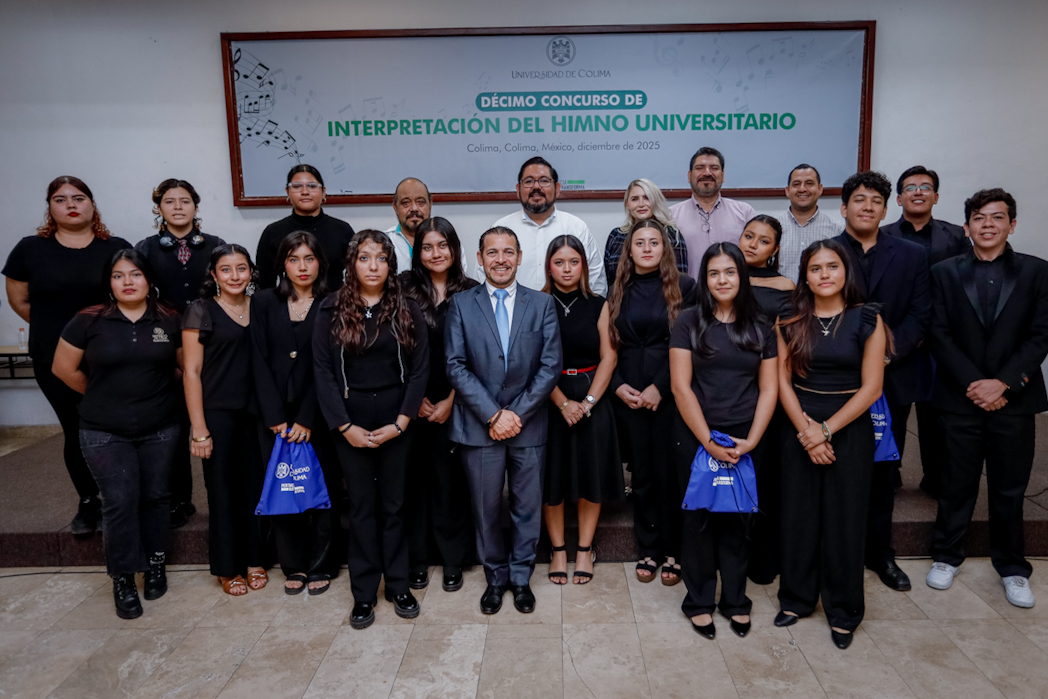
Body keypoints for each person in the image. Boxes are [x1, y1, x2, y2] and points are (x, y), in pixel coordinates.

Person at [925, 188, 1048, 609]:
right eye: (979, 218)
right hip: (959, 398)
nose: (988, 224)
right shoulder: (943, 272)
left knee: (1010, 488)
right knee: (955, 484)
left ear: (1012, 224)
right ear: (967, 227)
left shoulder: (1037, 272)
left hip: (1015, 400)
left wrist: (1004, 384)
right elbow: (938, 334)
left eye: (997, 217)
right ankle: (946, 556)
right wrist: (976, 383)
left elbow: (1041, 335)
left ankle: (1012, 568)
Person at [51, 249, 183, 619]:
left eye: (136, 274)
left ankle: (155, 564)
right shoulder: (88, 320)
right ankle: (123, 576)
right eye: (118, 275)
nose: (128, 282)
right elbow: (63, 368)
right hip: (104, 430)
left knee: (156, 496)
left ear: (149, 280)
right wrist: (101, 395)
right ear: (108, 282)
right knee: (120, 500)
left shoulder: (169, 319)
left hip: (161, 427)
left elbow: (182, 369)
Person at [774, 238, 888, 650]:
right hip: (798, 424)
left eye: (832, 266)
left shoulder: (868, 318)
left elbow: (873, 387)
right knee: (798, 516)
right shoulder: (789, 318)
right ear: (805, 276)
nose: (824, 274)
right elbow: (781, 381)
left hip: (849, 428)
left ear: (846, 272)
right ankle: (796, 599)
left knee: (845, 520)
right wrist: (807, 431)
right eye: (815, 268)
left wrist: (825, 431)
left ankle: (843, 610)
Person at [313, 230, 429, 629]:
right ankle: (363, 593)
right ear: (352, 264)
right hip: (350, 420)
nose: (373, 266)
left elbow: (421, 370)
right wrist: (344, 426)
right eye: (364, 258)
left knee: (394, 505)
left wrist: (402, 421)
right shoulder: (330, 309)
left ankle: (398, 585)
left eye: (381, 258)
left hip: (397, 418)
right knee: (362, 507)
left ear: (391, 265)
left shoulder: (407, 308)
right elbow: (322, 372)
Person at [3, 176, 131, 536]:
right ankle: (89, 501)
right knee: (76, 429)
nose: (71, 205)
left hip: (109, 355)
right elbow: (20, 302)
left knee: (116, 426)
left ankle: (123, 498)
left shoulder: (115, 247)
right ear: (50, 207)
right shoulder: (29, 249)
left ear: (92, 204)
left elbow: (130, 294)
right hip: (53, 357)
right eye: (60, 199)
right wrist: (66, 336)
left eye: (78, 198)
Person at [445, 226, 562, 615]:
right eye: (492, 252)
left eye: (508, 251)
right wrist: (494, 414)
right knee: (486, 508)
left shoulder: (541, 304)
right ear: (480, 258)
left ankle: (521, 578)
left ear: (519, 256)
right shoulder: (461, 304)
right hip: (479, 426)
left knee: (527, 507)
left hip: (529, 424)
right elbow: (455, 365)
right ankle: (495, 578)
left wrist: (516, 414)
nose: (500, 259)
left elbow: (550, 366)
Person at [670, 242, 778, 639]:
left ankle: (735, 600)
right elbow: (680, 387)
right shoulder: (687, 321)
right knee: (698, 520)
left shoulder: (762, 325)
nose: (722, 280)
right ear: (705, 279)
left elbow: (769, 389)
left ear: (742, 276)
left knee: (739, 519)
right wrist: (707, 441)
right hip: (696, 434)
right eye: (714, 273)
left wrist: (751, 440)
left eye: (730, 272)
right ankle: (698, 601)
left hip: (746, 436)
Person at [833, 171, 930, 593]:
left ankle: (880, 553)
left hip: (892, 377)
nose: (867, 206)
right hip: (836, 379)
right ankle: (837, 549)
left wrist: (886, 355)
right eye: (859, 199)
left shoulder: (912, 254)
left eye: (875, 200)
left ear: (886, 209)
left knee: (883, 469)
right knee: (836, 467)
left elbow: (922, 314)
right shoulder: (828, 252)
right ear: (844, 207)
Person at [250, 231, 339, 595]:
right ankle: (294, 564)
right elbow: (257, 359)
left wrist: (307, 418)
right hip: (273, 415)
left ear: (321, 263)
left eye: (309, 259)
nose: (302, 267)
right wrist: (275, 416)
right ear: (282, 264)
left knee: (322, 487)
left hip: (319, 412)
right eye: (293, 259)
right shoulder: (264, 301)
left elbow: (331, 367)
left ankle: (322, 564)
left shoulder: (335, 302)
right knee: (284, 484)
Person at [609, 218, 697, 585]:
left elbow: (691, 344)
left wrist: (660, 387)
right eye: (640, 243)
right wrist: (618, 386)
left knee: (670, 475)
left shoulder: (686, 287)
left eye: (654, 242)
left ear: (665, 249)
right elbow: (609, 347)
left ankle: (674, 550)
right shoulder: (618, 289)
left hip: (670, 395)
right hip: (629, 396)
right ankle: (649, 547)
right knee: (642, 475)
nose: (647, 248)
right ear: (629, 251)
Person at [136, 178, 226, 528]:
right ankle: (179, 499)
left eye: (185, 201)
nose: (177, 207)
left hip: (212, 338)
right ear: (159, 207)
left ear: (196, 206)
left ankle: (221, 495)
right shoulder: (145, 249)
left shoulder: (215, 245)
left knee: (212, 417)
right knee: (174, 424)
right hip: (166, 339)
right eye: (170, 201)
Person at [399, 217, 479, 593]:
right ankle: (417, 559)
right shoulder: (401, 288)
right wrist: (413, 400)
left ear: (454, 249)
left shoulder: (473, 291)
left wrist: (452, 399)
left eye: (442, 245)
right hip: (410, 401)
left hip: (457, 400)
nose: (436, 253)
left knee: (451, 483)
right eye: (427, 247)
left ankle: (452, 559)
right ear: (418, 252)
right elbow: (391, 349)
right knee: (413, 483)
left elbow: (480, 355)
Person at [881, 165, 970, 498]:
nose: (918, 192)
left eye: (925, 187)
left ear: (936, 196)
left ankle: (936, 476)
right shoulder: (884, 235)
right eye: (910, 187)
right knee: (893, 410)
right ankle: (889, 473)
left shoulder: (956, 237)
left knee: (937, 413)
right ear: (899, 198)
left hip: (942, 339)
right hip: (899, 337)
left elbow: (964, 287)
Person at [182, 244, 265, 596]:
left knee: (256, 489)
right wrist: (199, 430)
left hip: (257, 414)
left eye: (241, 268)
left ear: (251, 272)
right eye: (226, 269)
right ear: (214, 274)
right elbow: (191, 372)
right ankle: (227, 567)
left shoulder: (260, 306)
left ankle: (255, 559)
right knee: (222, 492)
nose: (235, 276)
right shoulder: (200, 310)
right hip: (218, 415)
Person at [541, 235, 622, 586]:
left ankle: (586, 549)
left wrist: (587, 402)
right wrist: (562, 402)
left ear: (584, 267)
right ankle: (558, 549)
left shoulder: (599, 304)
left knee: (592, 476)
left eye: (574, 262)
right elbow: (533, 360)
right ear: (549, 266)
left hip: (592, 397)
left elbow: (609, 357)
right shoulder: (536, 302)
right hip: (549, 398)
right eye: (559, 262)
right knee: (552, 478)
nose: (567, 269)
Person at [738, 215, 795, 584]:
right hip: (727, 387)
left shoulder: (785, 286)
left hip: (768, 387)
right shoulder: (723, 275)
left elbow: (789, 344)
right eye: (748, 236)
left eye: (763, 240)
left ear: (774, 249)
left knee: (764, 474)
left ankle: (762, 557)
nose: (753, 244)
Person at [486, 157, 607, 295]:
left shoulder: (576, 228)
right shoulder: (501, 228)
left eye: (544, 181)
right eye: (529, 181)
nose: (536, 187)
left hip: (567, 308)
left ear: (557, 188)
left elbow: (596, 283)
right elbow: (484, 278)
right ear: (518, 190)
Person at [256, 164, 355, 291]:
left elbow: (357, 275)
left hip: (336, 301)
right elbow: (264, 284)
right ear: (288, 192)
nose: (305, 192)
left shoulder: (342, 230)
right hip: (288, 302)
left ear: (323, 191)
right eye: (297, 186)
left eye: (312, 186)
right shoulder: (273, 232)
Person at [669, 147, 756, 282]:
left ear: (723, 175)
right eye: (700, 168)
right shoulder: (670, 216)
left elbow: (757, 257)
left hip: (734, 291)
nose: (707, 173)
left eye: (714, 168)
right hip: (688, 293)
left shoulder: (745, 212)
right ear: (689, 176)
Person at [604, 178, 689, 280]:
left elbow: (680, 279)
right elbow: (607, 279)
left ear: (655, 201)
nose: (641, 204)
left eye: (646, 198)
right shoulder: (616, 235)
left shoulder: (671, 234)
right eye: (634, 199)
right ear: (627, 204)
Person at [776, 164, 844, 282]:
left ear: (820, 189)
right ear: (787, 191)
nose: (802, 189)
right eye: (796, 184)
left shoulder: (838, 230)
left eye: (809, 183)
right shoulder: (773, 229)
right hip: (781, 294)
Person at [386, 178, 431, 274]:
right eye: (406, 203)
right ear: (395, 208)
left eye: (420, 202)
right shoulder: (383, 242)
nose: (414, 208)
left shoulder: (447, 243)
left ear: (430, 205)